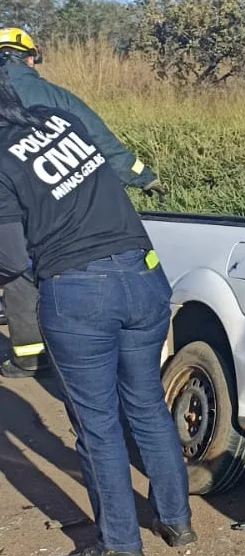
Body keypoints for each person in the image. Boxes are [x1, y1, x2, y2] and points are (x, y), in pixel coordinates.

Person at [0, 69, 194, 556]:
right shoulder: (60, 120)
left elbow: (12, 256)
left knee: (97, 425)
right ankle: (176, 519)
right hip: (143, 276)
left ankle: (120, 548)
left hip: (80, 293)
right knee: (148, 402)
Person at [0, 27, 163, 379]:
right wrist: (143, 176)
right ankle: (51, 351)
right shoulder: (54, 95)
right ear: (30, 57)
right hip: (57, 206)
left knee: (12, 263)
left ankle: (28, 355)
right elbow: (98, 138)